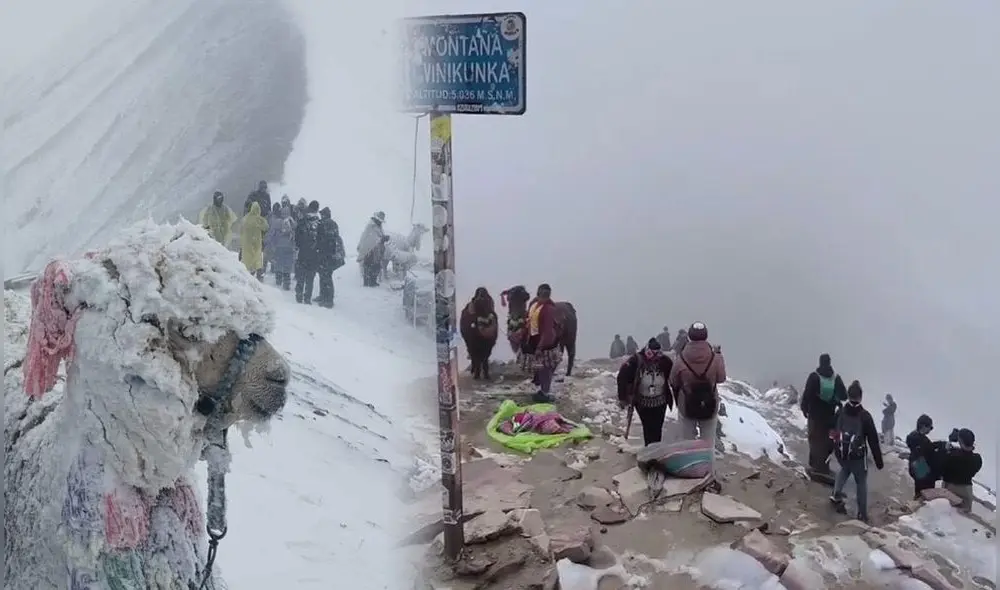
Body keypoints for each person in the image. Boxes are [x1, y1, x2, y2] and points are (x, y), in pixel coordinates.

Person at [669, 322, 726, 482]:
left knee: (687, 441)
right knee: (708, 442)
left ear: (689, 336)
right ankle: (709, 476)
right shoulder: (715, 358)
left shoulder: (681, 359)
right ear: (706, 336)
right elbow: (721, 378)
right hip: (709, 404)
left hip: (686, 405)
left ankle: (689, 476)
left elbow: (673, 380)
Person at [828, 380, 883, 523]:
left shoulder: (841, 411)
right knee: (861, 482)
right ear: (860, 397)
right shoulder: (865, 416)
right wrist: (879, 461)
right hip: (858, 456)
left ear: (848, 395)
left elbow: (832, 429)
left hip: (842, 453)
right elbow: (873, 440)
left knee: (844, 470)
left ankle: (836, 494)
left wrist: (835, 447)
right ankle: (862, 514)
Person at [800, 353, 848, 483]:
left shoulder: (814, 377)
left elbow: (807, 394)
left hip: (815, 414)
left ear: (820, 362)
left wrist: (804, 408)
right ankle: (824, 467)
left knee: (814, 439)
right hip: (830, 416)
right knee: (828, 441)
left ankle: (815, 466)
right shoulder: (835, 378)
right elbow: (844, 396)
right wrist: (835, 399)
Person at [617, 338, 674, 446]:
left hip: (660, 402)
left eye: (658, 354)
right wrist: (623, 398)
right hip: (643, 402)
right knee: (648, 427)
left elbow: (674, 377)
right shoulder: (636, 361)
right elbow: (622, 376)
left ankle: (655, 450)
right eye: (653, 354)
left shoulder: (665, 361)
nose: (656, 357)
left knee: (657, 428)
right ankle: (649, 450)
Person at [524, 284, 562, 403]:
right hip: (535, 341)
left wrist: (541, 346)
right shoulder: (534, 306)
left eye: (546, 294)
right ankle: (542, 390)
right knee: (541, 368)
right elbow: (529, 322)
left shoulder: (549, 309)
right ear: (538, 294)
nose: (544, 296)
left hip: (547, 345)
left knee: (547, 368)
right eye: (542, 294)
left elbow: (548, 331)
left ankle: (545, 392)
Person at [940, 428, 982, 512]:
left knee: (946, 514)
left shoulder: (952, 456)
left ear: (960, 441)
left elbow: (942, 469)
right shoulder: (977, 459)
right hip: (966, 491)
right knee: (964, 516)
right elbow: (965, 456)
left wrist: (946, 449)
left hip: (950, 488)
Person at [314, 207, 345, 308]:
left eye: (322, 215)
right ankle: (324, 296)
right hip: (328, 255)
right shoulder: (332, 223)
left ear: (324, 215)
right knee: (325, 276)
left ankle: (328, 300)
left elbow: (323, 239)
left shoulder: (325, 224)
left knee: (325, 277)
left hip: (326, 255)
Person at [905, 414, 939, 499]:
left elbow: (928, 446)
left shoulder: (916, 437)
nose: (930, 430)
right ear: (923, 426)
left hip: (918, 466)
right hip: (920, 466)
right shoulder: (917, 439)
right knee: (924, 494)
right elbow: (926, 449)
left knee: (920, 492)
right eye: (930, 427)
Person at [294, 201, 321, 304]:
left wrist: (299, 246)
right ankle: (307, 297)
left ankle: (299, 295)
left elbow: (297, 237)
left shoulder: (303, 221)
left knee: (301, 275)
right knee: (310, 277)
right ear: (317, 209)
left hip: (303, 252)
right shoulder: (319, 223)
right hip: (314, 254)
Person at [265, 203, 296, 290]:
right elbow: (296, 234)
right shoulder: (292, 222)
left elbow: (271, 233)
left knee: (279, 263)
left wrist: (267, 242)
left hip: (279, 246)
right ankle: (287, 282)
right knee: (287, 265)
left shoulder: (277, 222)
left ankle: (278, 279)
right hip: (289, 246)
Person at [239, 202, 269, 279]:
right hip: (257, 243)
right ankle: (259, 277)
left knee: (247, 261)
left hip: (247, 244)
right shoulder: (259, 219)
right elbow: (266, 227)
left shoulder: (245, 218)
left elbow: (241, 230)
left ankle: (247, 276)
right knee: (257, 260)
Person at [357, 211, 386, 287]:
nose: (381, 222)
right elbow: (371, 239)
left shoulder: (378, 226)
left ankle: (373, 281)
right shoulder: (371, 226)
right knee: (368, 265)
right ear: (377, 219)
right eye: (380, 220)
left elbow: (379, 237)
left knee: (376, 265)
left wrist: (383, 239)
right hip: (369, 250)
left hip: (376, 250)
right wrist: (382, 239)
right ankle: (367, 282)